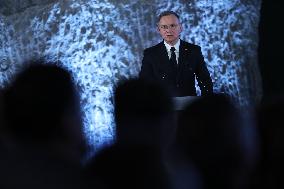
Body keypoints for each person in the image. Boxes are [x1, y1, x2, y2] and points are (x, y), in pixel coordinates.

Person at [139, 11, 213, 97]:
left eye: (173, 26)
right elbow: (144, 84)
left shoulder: (193, 51)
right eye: (164, 27)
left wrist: (207, 103)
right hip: (162, 106)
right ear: (159, 30)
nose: (168, 30)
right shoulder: (150, 54)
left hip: (189, 106)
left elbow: (204, 80)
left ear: (180, 28)